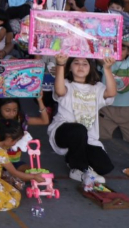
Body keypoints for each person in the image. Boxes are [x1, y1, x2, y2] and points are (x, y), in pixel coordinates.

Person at [48, 55, 117, 183]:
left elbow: (111, 93)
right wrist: (60, 64)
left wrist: (107, 68)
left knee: (105, 167)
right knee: (79, 130)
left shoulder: (97, 87)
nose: (80, 66)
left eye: (85, 63)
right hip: (63, 132)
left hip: (88, 138)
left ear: (91, 68)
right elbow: (59, 90)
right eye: (76, 63)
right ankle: (77, 168)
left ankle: (82, 164)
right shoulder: (66, 84)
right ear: (69, 67)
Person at [99, 37, 129, 145]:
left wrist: (115, 39)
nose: (117, 52)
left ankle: (126, 123)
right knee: (100, 136)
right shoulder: (105, 62)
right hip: (107, 107)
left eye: (122, 49)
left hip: (127, 109)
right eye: (114, 49)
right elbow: (99, 46)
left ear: (128, 51)